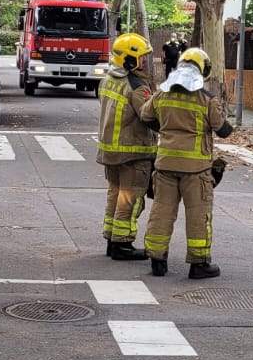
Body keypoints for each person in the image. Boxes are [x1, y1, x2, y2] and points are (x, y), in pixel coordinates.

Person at [140, 46, 231, 279]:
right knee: (198, 215)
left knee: (161, 211)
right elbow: (222, 130)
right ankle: (198, 263)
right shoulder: (206, 99)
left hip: (165, 165)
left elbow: (145, 115)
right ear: (203, 70)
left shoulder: (161, 94)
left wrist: (165, 130)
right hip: (196, 170)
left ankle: (157, 260)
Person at [96, 33, 158, 261]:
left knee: (114, 193)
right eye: (141, 58)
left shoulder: (107, 79)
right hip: (133, 153)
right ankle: (123, 244)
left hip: (110, 151)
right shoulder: (136, 86)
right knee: (130, 198)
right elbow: (151, 117)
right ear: (130, 60)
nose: (144, 62)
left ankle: (112, 239)